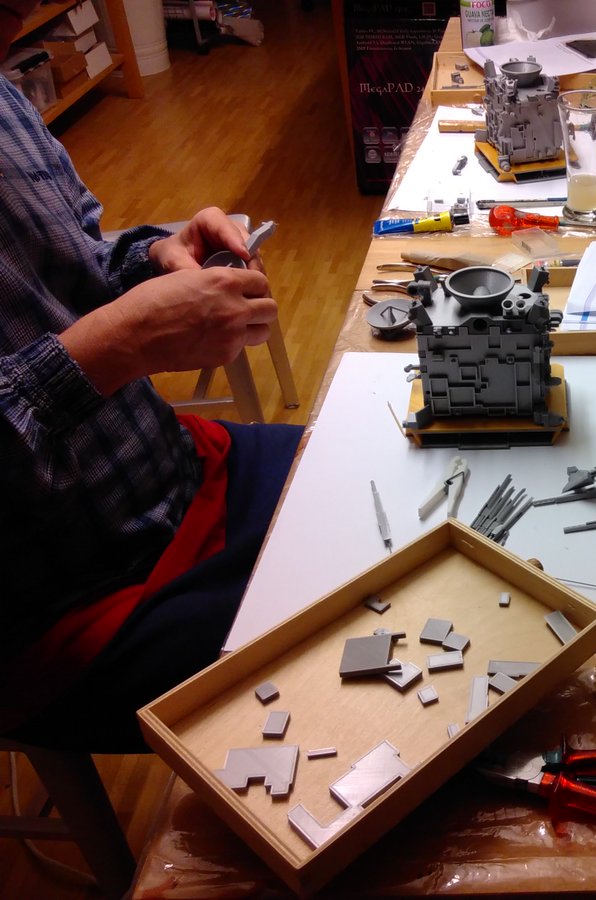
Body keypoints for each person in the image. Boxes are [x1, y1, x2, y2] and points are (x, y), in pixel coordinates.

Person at [1, 0, 302, 751]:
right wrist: (119, 343)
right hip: (75, 605)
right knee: (391, 635)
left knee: (390, 477)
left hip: (174, 467)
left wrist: (155, 257)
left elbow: (81, 254)